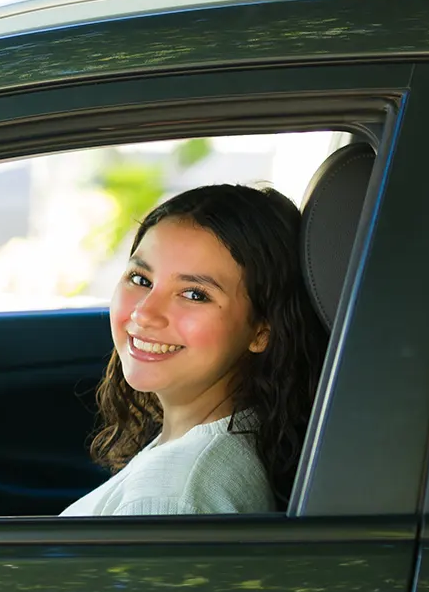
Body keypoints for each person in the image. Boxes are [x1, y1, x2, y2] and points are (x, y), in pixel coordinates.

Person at [62, 183, 327, 518]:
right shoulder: (227, 442)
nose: (144, 313)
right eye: (141, 279)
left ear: (262, 331)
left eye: (194, 294)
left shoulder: (171, 495)